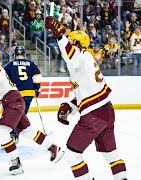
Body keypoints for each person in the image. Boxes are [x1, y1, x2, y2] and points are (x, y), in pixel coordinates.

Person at [44, 16, 127, 180]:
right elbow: (87, 93)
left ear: (76, 43)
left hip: (94, 115)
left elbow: (70, 53)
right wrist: (70, 105)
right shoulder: (85, 60)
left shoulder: (79, 55)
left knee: (72, 155)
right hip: (106, 111)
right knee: (111, 155)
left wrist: (60, 36)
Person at [4, 46, 42, 143]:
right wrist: (37, 89)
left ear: (15, 54)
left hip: (15, 95)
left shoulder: (10, 65)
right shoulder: (31, 64)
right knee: (22, 114)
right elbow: (37, 77)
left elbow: (4, 79)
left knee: (16, 115)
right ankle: (14, 133)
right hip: (28, 93)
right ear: (24, 54)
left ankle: (13, 134)